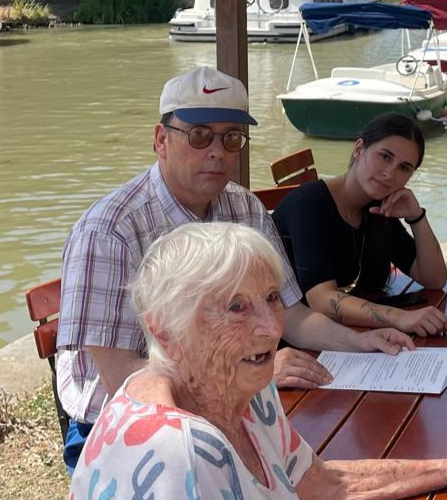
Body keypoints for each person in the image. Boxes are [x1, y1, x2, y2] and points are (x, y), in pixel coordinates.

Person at [65, 222, 447, 500]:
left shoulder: (245, 392)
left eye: (273, 298)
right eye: (237, 307)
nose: (270, 328)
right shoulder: (180, 453)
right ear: (165, 329)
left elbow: (324, 486)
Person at [56, 66, 413, 472]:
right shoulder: (110, 231)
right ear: (161, 140)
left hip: (230, 401)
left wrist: (360, 342)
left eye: (231, 138)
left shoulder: (243, 208)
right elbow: (118, 373)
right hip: (122, 420)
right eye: (199, 136)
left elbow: (293, 313)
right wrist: (242, 372)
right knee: (308, 485)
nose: (217, 151)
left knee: (349, 451)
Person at [272, 113, 447, 337]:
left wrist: (416, 216)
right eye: (385, 157)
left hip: (350, 337)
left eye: (404, 168)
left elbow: (434, 279)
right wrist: (400, 318)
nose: (389, 173)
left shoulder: (377, 209)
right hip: (290, 343)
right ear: (359, 149)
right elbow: (321, 299)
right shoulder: (310, 204)